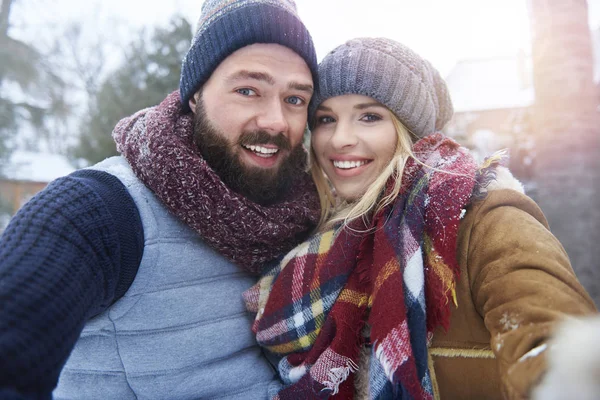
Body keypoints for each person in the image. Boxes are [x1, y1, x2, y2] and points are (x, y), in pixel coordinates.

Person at [0, 1, 321, 398]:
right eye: (248, 90)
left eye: (294, 99)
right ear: (195, 94)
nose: (275, 120)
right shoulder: (102, 211)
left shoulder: (307, 212)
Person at [245, 37, 597, 399]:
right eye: (326, 119)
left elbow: (549, 334)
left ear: (409, 131)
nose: (340, 139)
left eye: (369, 116)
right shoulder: (311, 233)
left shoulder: (483, 219)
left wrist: (563, 377)